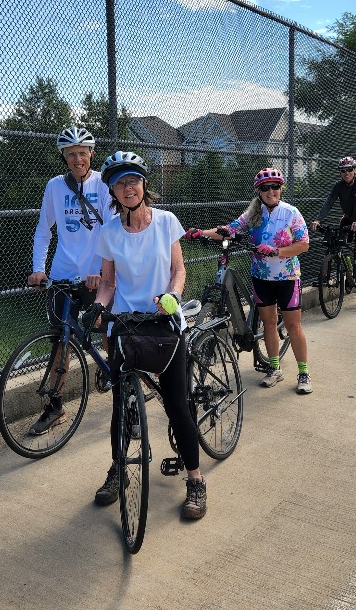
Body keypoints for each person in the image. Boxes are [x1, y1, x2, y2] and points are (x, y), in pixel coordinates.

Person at [88, 151, 207, 520]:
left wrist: (172, 296)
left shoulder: (166, 222)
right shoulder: (108, 232)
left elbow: (179, 271)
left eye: (133, 180)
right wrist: (98, 307)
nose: (127, 187)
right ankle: (118, 470)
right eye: (119, 182)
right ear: (112, 190)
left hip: (165, 324)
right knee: (121, 405)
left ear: (144, 184)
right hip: (127, 326)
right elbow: (108, 283)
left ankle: (196, 480)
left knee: (177, 405)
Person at [194, 167, 312, 394]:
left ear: (281, 188)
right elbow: (228, 231)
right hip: (261, 276)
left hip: (287, 277)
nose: (271, 191)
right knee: (268, 323)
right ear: (258, 191)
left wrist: (276, 250)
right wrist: (202, 233)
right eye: (265, 188)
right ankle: (275, 369)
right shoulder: (253, 214)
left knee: (293, 325)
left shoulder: (291, 213)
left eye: (275, 187)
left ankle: (304, 373)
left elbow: (304, 244)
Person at [25, 126, 111, 434]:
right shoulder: (54, 187)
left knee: (110, 334)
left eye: (82, 152)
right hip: (62, 274)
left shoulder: (104, 184)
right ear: (64, 157)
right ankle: (55, 407)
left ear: (91, 154)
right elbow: (43, 230)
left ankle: (128, 401)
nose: (77, 159)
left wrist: (101, 270)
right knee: (60, 344)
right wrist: (39, 269)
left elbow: (112, 232)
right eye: (71, 154)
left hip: (95, 276)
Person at [311, 155, 356, 301]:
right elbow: (329, 202)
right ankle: (327, 276)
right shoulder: (338, 186)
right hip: (349, 220)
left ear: (355, 170)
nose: (346, 173)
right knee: (333, 245)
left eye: (349, 169)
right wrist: (318, 219)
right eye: (343, 170)